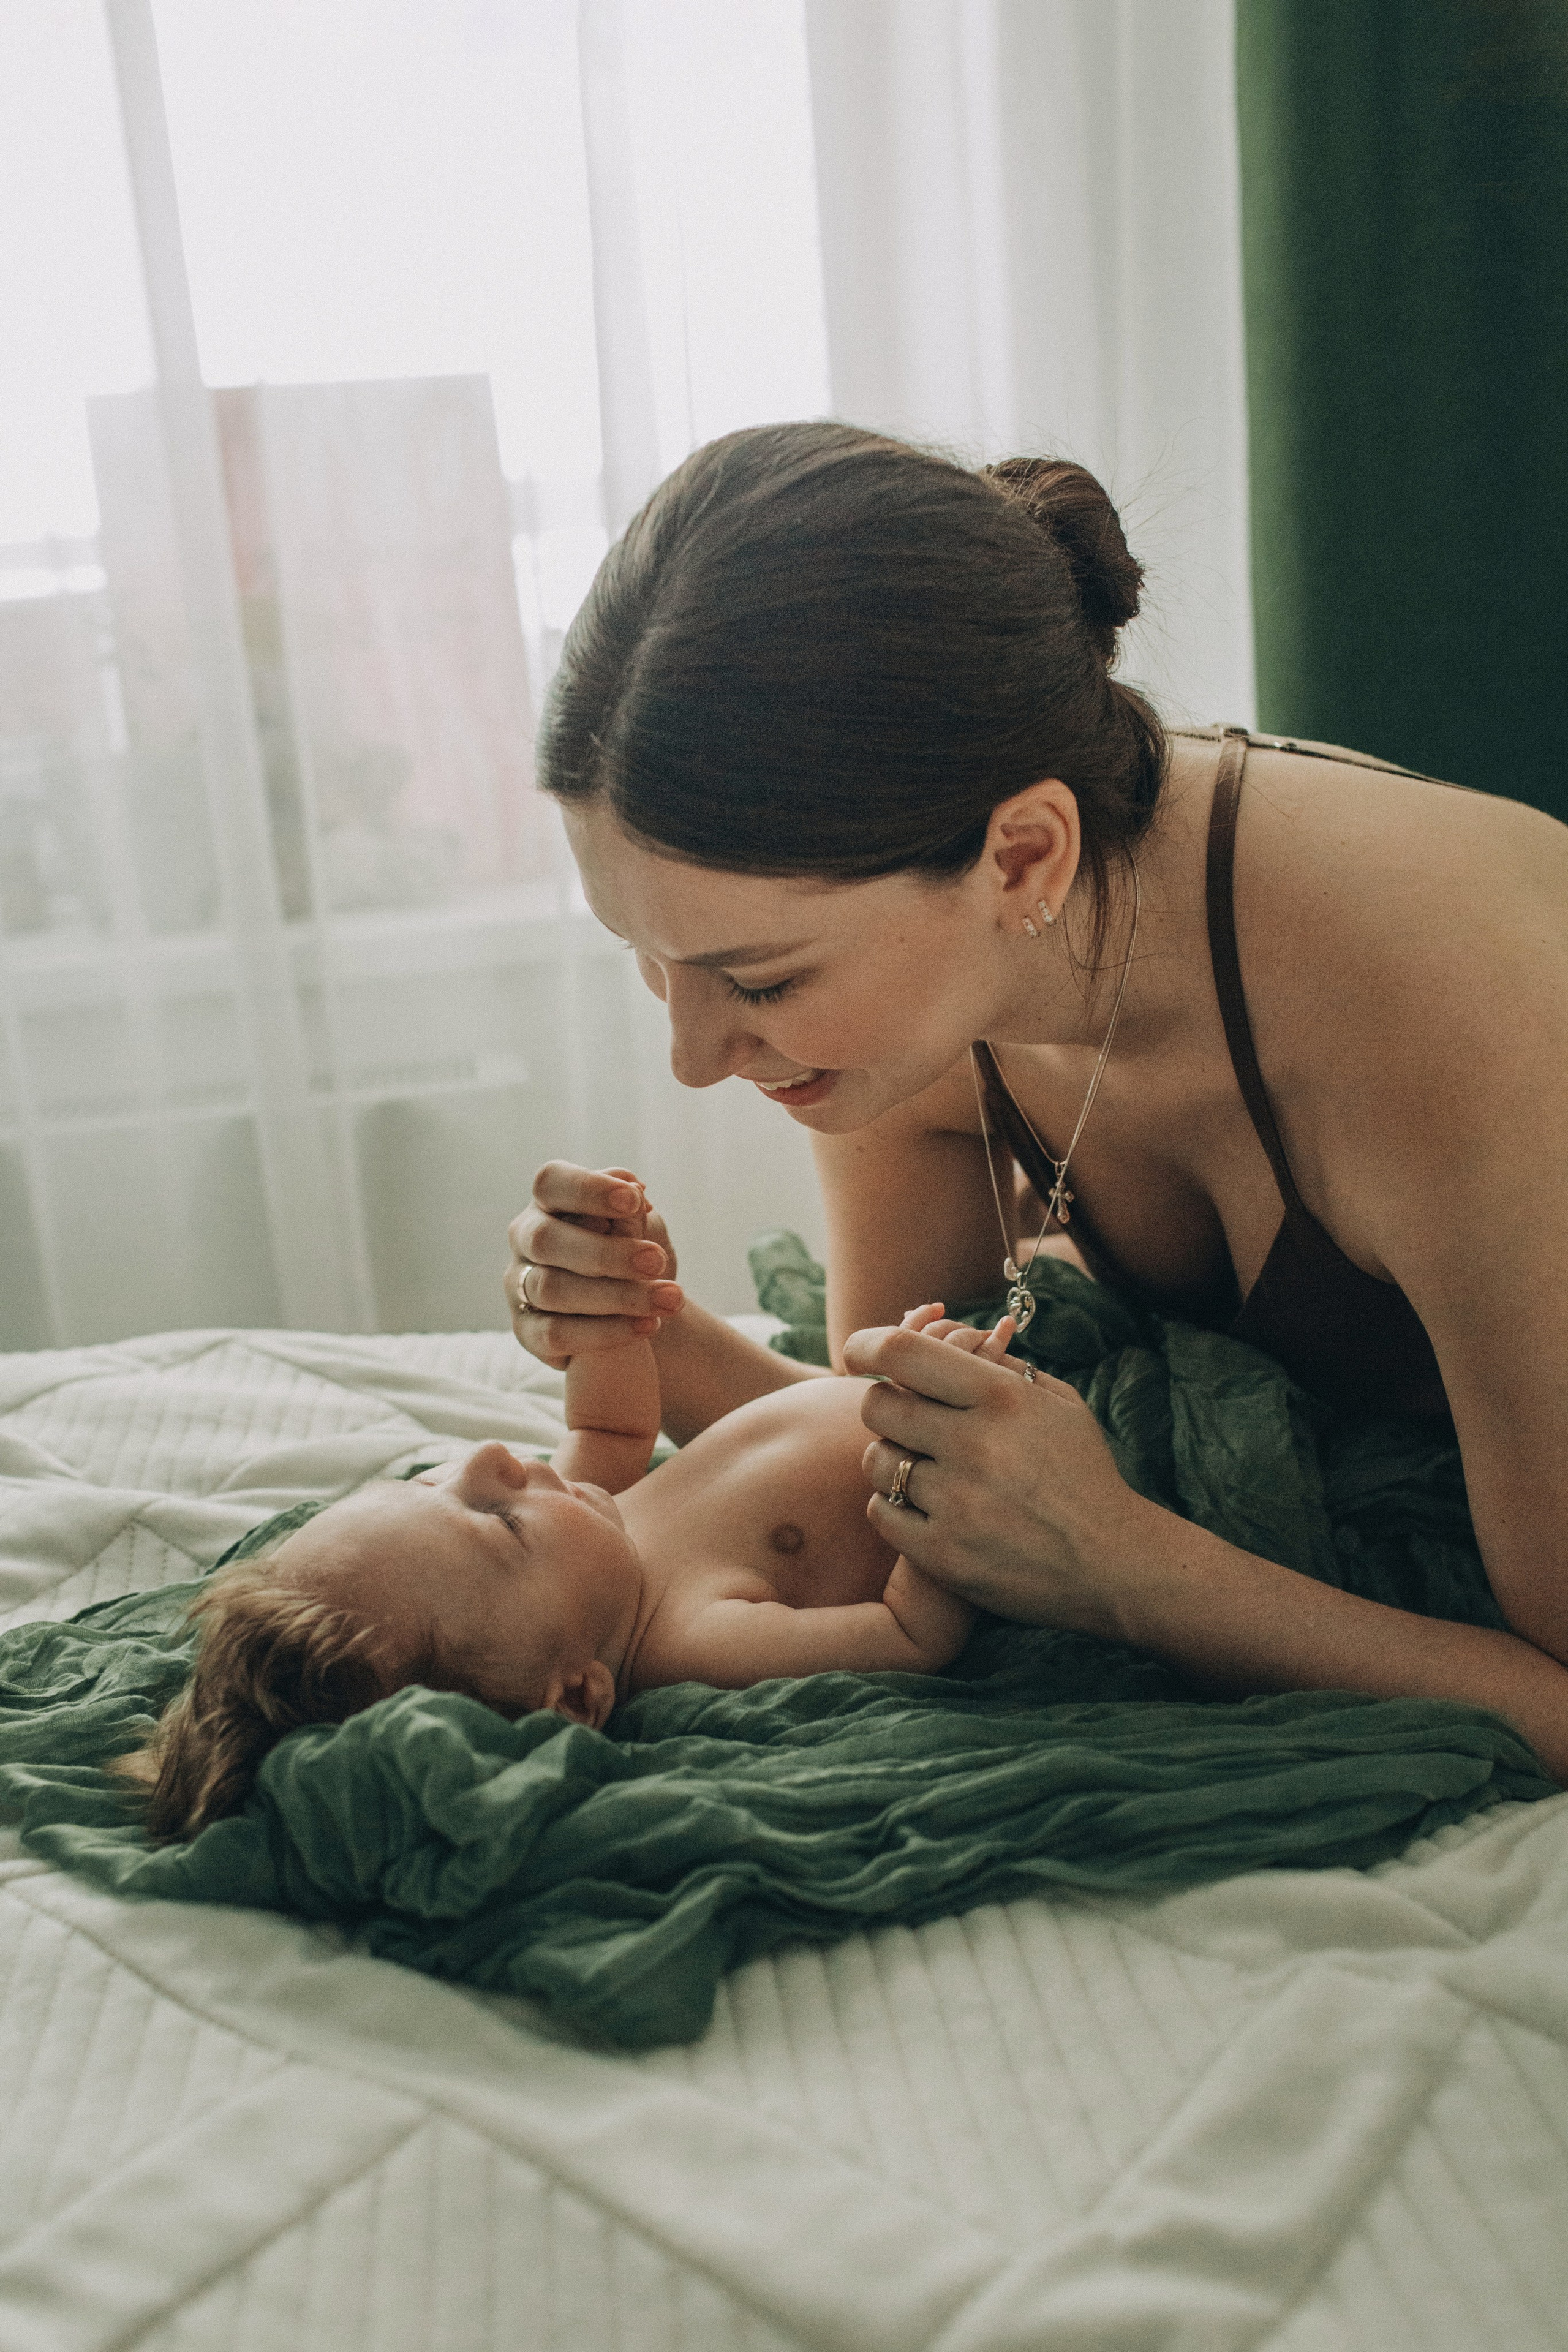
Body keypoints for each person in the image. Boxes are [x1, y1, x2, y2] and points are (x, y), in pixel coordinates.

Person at [507, 420, 1568, 1783]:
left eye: (756, 981)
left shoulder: (1450, 1022)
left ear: (1020, 857)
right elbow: (881, 1453)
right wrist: (651, 1331)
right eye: (651, 968)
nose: (698, 1058)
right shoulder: (913, 1018)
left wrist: (1127, 1571)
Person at [132, 1213, 1031, 1838]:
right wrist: (943, 1446)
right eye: (495, 1521)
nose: (493, 1458)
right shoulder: (696, 1636)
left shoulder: (586, 1525)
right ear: (576, 1699)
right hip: (993, 1443)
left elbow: (610, 1425)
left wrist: (607, 1299)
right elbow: (911, 1638)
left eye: (432, 1480)